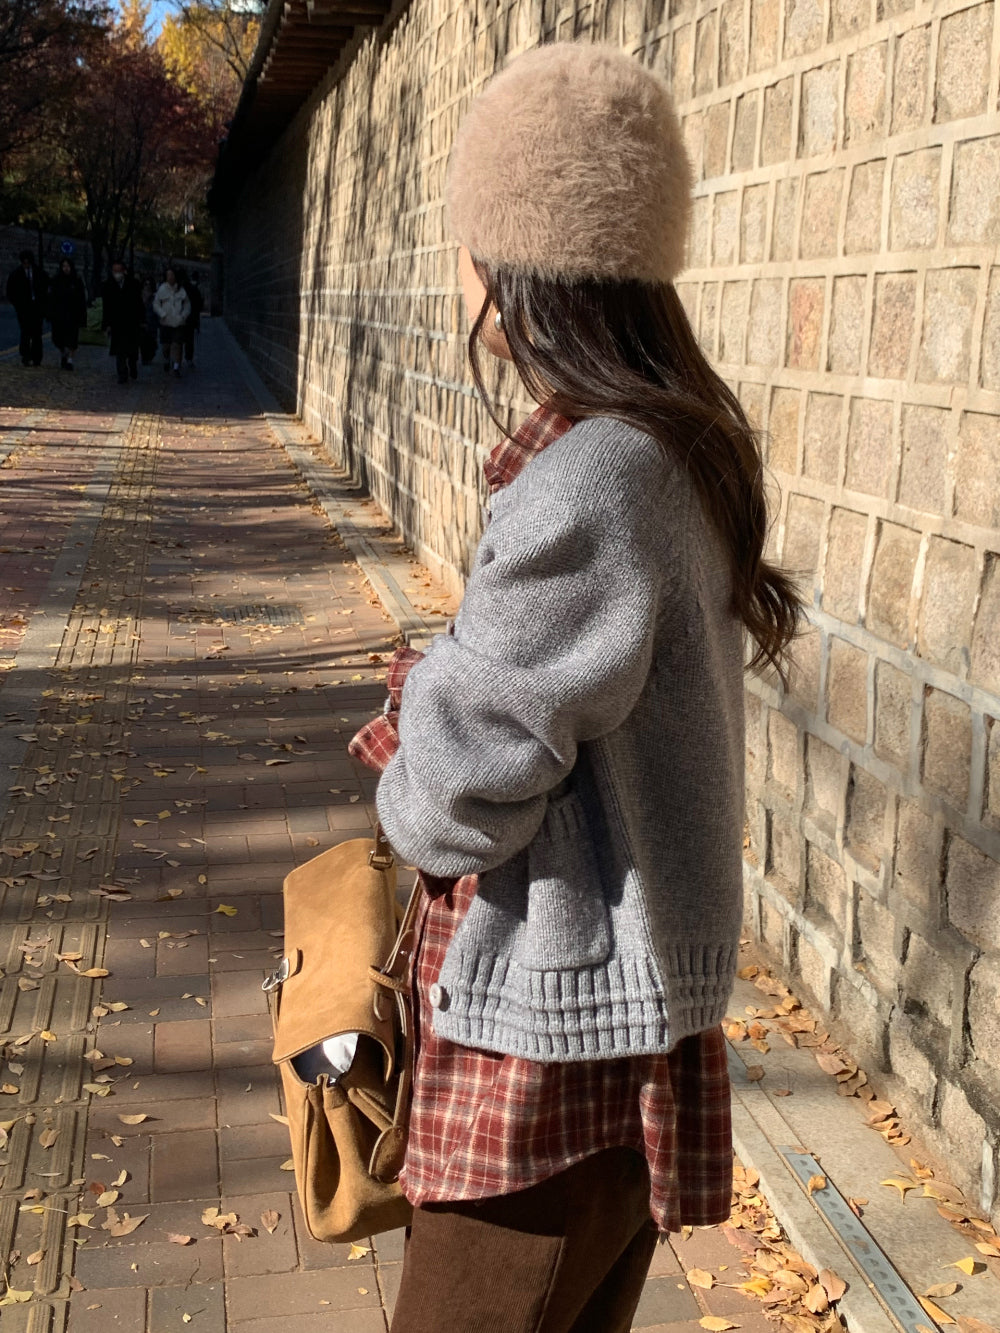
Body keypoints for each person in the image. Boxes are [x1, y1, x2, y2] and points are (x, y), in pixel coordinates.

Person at [347, 43, 802, 1333]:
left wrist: (416, 706)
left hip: (544, 1060)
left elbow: (447, 806)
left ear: (509, 265)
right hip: (604, 1032)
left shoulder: (588, 482)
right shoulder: (666, 449)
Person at [101, 259, 143, 383]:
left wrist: (141, 319)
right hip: (117, 322)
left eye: (119, 271)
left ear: (124, 271)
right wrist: (106, 324)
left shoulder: (133, 284)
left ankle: (132, 365)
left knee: (132, 349)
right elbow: (106, 306)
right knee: (120, 350)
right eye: (114, 271)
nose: (117, 274)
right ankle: (122, 373)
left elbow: (138, 303)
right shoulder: (108, 285)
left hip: (131, 321)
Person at [6, 250, 49, 366]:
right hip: (24, 307)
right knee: (25, 332)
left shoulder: (39, 273)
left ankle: (36, 357)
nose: (26, 265)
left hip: (37, 307)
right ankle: (26, 355)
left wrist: (43, 303)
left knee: (37, 333)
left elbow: (45, 287)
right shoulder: (16, 274)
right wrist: (18, 304)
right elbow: (10, 291)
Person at [49, 257, 87, 370]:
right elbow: (52, 297)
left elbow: (81, 298)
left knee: (72, 339)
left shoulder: (76, 281)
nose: (66, 268)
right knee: (58, 338)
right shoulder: (56, 280)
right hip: (59, 314)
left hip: (73, 314)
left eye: (68, 266)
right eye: (64, 266)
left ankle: (70, 359)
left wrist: (82, 314)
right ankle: (63, 353)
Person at [153, 266, 190, 377]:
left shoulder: (181, 290)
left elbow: (187, 305)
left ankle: (176, 367)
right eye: (168, 275)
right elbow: (156, 304)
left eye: (172, 275)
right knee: (166, 346)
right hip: (166, 322)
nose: (170, 277)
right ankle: (167, 359)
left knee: (177, 345)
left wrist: (183, 316)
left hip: (178, 323)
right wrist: (162, 314)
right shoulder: (162, 289)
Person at [182, 272, 203, 368]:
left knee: (178, 340)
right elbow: (199, 304)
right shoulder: (194, 289)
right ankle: (189, 358)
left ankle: (177, 360)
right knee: (189, 340)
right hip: (190, 318)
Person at [139, 279, 158, 365]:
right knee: (143, 341)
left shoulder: (154, 298)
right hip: (142, 323)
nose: (147, 286)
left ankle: (150, 356)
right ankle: (144, 358)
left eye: (149, 284)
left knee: (151, 341)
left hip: (152, 323)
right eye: (145, 284)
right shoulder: (140, 297)